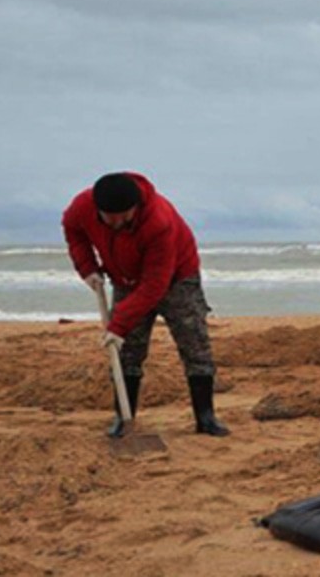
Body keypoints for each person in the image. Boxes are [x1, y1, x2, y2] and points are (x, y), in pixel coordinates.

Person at [62, 172, 229, 438]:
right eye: (109, 218)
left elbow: (154, 285)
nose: (117, 224)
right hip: (125, 279)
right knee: (126, 351)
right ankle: (123, 418)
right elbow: (73, 231)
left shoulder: (158, 221)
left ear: (136, 207)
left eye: (124, 217)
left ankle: (206, 418)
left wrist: (117, 325)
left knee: (194, 344)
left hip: (176, 279)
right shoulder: (81, 207)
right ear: (97, 209)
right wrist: (87, 268)